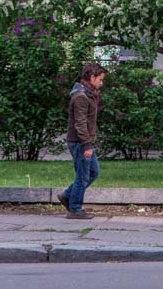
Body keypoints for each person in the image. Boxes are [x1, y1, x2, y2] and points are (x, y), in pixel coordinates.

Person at [59, 63, 106, 219]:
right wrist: (87, 144)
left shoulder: (87, 94)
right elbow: (80, 123)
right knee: (83, 176)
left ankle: (67, 195)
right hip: (79, 142)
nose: (101, 83)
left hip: (84, 142)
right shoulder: (80, 96)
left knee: (93, 172)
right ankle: (75, 209)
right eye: (100, 79)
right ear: (91, 77)